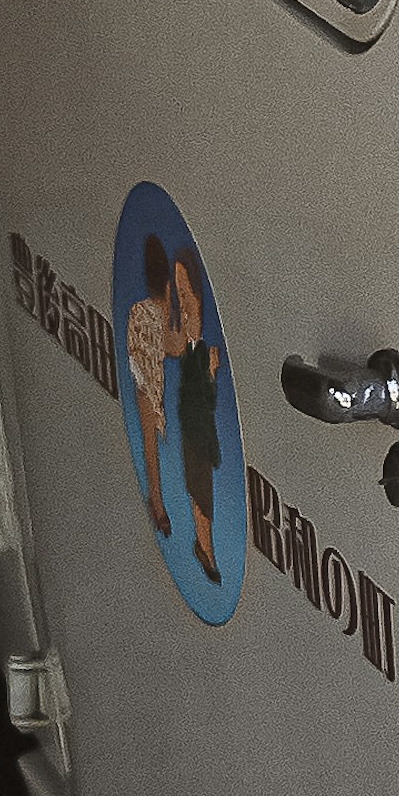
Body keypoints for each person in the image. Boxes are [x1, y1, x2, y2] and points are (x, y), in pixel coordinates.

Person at [168, 249, 227, 590]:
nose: (183, 302)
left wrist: (212, 375)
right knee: (196, 491)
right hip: (193, 432)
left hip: (200, 434)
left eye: (186, 292)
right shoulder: (190, 350)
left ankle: (206, 549)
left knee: (202, 492)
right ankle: (205, 550)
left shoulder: (202, 351)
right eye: (179, 294)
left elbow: (206, 402)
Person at [123, 228, 176, 535]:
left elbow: (136, 348)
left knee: (149, 447)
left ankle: (157, 504)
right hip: (152, 387)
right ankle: (157, 505)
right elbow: (172, 346)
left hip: (142, 385)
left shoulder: (138, 309)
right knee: (152, 446)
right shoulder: (160, 309)